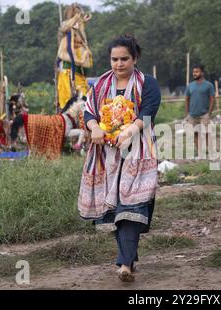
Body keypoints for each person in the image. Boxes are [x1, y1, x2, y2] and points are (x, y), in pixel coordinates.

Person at [78, 34, 161, 283]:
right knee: (114, 208)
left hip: (138, 153)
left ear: (134, 58)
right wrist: (94, 127)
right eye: (115, 59)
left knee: (132, 206)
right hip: (106, 155)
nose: (119, 64)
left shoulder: (148, 83)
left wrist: (130, 131)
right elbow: (89, 111)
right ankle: (128, 257)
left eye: (125, 58)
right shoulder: (100, 85)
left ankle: (124, 263)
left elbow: (147, 112)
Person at [56, 4, 93, 110]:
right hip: (69, 76)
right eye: (77, 15)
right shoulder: (67, 32)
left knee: (85, 103)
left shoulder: (78, 31)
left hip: (80, 76)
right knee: (71, 106)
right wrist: (80, 61)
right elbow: (62, 53)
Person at [185, 65, 215, 155]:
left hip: (204, 114)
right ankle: (199, 151)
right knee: (195, 133)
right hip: (192, 115)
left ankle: (210, 151)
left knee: (206, 133)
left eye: (197, 72)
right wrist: (187, 113)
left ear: (202, 73)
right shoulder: (190, 86)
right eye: (193, 72)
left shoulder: (209, 85)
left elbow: (212, 99)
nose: (194, 74)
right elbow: (187, 99)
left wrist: (209, 112)